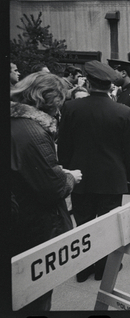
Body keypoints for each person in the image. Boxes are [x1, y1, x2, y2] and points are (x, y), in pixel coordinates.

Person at [57, 60, 130, 282]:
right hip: (111, 180)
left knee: (82, 225)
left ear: (89, 82)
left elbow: (63, 146)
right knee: (107, 227)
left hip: (80, 178)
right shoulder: (122, 111)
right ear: (111, 85)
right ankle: (103, 268)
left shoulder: (71, 108)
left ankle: (83, 269)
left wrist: (66, 174)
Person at [10, 72, 82, 310]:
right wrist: (70, 177)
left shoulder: (16, 123)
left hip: (19, 221)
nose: (60, 110)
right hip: (34, 227)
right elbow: (53, 188)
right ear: (48, 100)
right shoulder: (33, 132)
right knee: (36, 297)